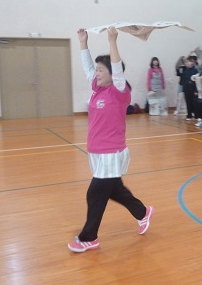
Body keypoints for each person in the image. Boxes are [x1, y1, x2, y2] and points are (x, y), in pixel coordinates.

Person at [68, 27, 154, 253]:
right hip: (96, 152)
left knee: (95, 193)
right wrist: (83, 42)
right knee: (114, 189)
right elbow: (87, 67)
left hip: (111, 152)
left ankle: (89, 237)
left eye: (100, 70)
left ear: (112, 74)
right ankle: (143, 212)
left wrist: (112, 41)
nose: (96, 73)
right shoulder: (97, 88)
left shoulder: (119, 91)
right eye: (96, 70)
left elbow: (117, 69)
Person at [180, 56, 199, 120]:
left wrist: (196, 90)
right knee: (188, 102)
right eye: (186, 62)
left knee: (195, 102)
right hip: (186, 88)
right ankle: (189, 115)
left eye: (189, 62)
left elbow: (197, 81)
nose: (187, 63)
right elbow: (183, 80)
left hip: (193, 88)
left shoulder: (195, 70)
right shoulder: (185, 70)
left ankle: (197, 115)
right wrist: (183, 89)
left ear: (192, 63)